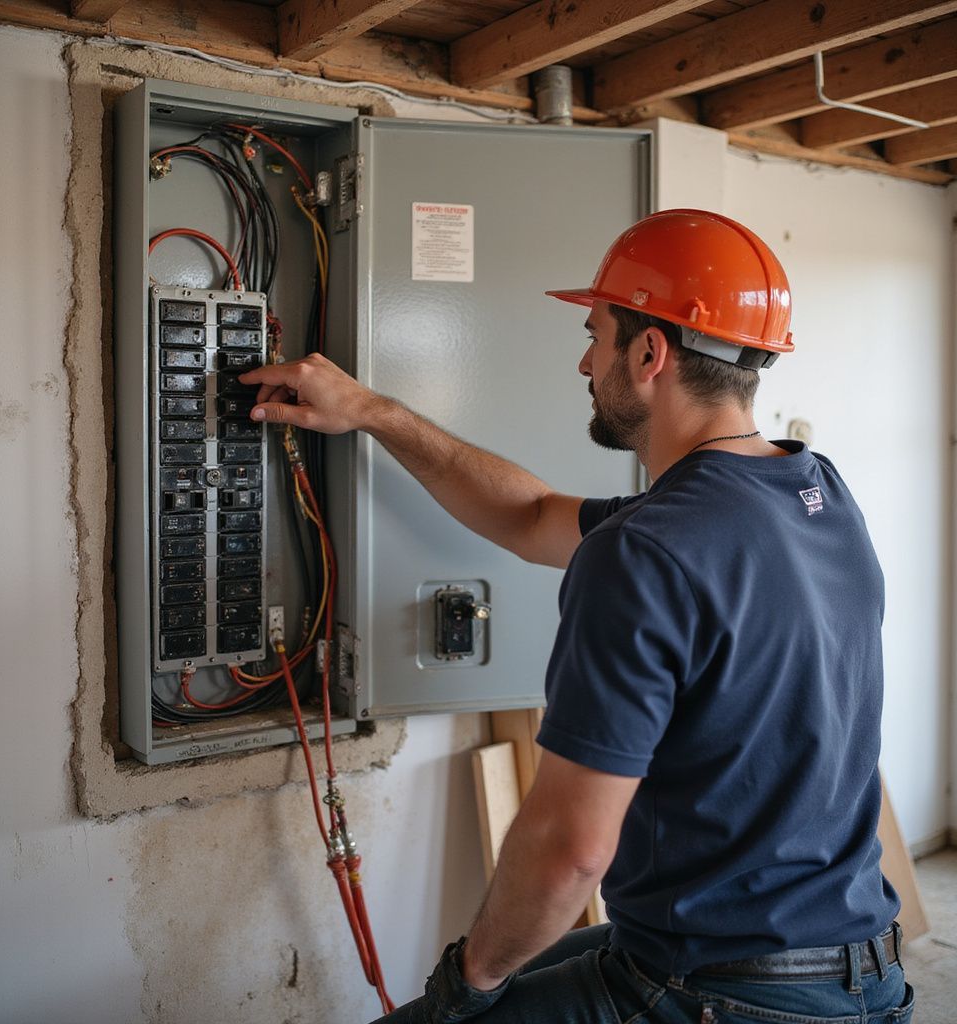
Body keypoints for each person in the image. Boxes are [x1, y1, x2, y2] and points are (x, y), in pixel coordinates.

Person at [241, 209, 913, 1024]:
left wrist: (471, 978)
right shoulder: (818, 494)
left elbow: (571, 850)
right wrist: (373, 412)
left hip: (717, 993)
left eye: (596, 334)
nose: (586, 361)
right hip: (863, 976)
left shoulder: (645, 554)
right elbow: (529, 516)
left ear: (649, 354)